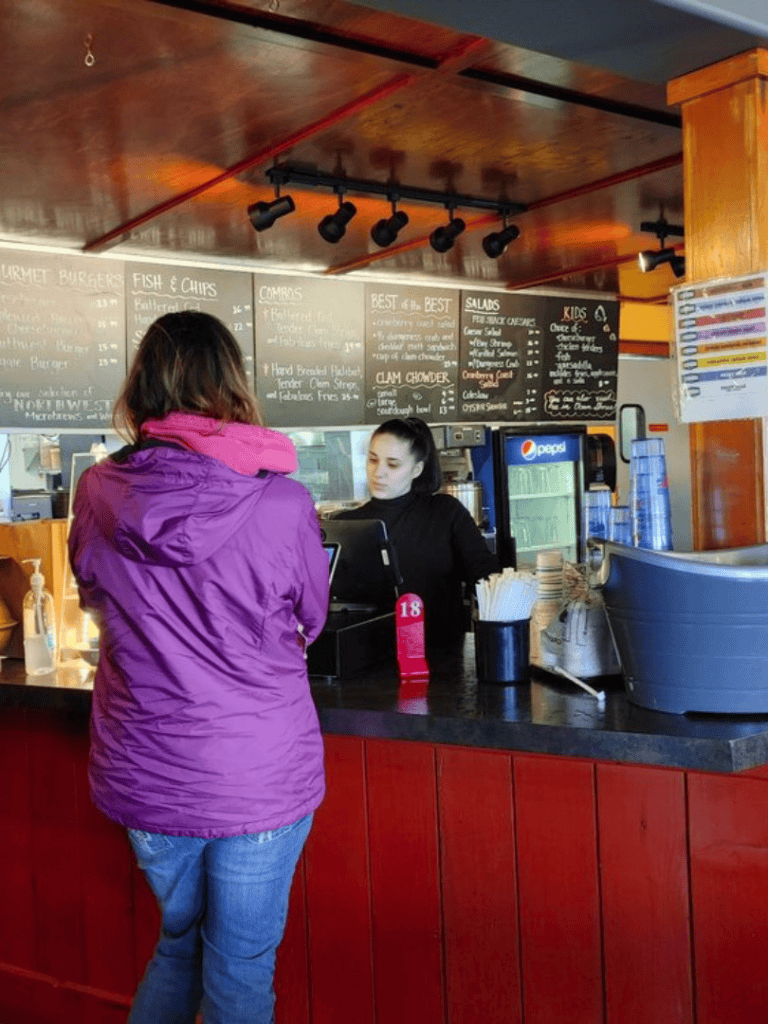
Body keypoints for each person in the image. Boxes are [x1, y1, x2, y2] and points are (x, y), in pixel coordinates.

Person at [68, 311, 329, 1024]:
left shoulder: (95, 493)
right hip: (258, 774)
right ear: (233, 383)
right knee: (238, 963)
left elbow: (92, 594)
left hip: (147, 769)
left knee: (180, 943)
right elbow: (315, 615)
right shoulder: (283, 500)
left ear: (141, 387)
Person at [335, 416, 498, 649]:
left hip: (441, 662)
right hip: (364, 664)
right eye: (373, 460)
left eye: (392, 464)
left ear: (417, 469)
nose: (378, 472)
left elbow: (486, 579)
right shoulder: (346, 525)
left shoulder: (445, 513)